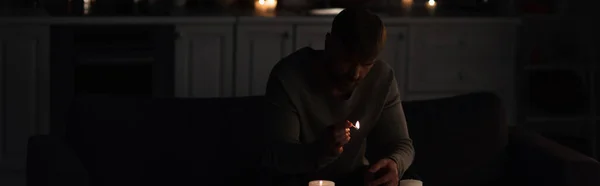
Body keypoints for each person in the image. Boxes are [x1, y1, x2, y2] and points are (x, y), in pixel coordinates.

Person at [261, 7, 415, 186]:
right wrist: (322, 150)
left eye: (366, 64)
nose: (355, 73)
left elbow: (402, 144)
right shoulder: (289, 77)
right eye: (347, 60)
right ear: (328, 44)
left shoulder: (382, 78)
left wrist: (395, 164)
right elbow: (278, 156)